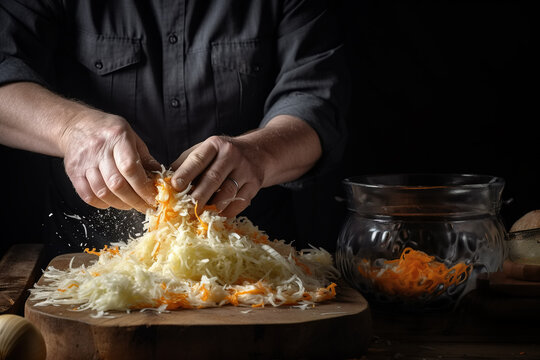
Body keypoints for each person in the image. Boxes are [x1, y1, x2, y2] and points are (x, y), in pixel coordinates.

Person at [0, 1, 349, 255]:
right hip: (85, 260)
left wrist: (259, 153)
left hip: (252, 259)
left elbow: (316, 101)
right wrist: (71, 128)